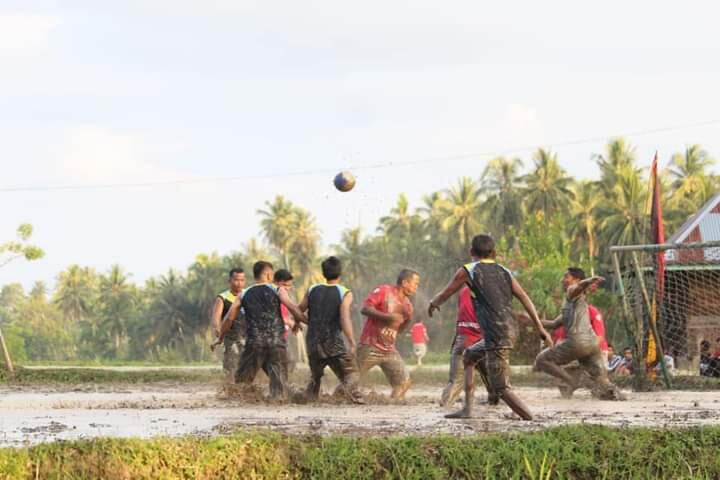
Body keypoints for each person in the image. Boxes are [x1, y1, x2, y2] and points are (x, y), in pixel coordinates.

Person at [428, 234, 553, 421]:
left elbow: (446, 293)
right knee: (469, 356)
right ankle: (468, 410)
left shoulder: (468, 270)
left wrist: (433, 303)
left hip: (496, 334)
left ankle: (531, 419)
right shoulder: (504, 271)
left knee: (501, 388)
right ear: (494, 253)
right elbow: (525, 297)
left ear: (471, 252)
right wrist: (540, 327)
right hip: (507, 330)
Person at [220, 261, 306, 400]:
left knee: (240, 387)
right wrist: (305, 321)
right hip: (276, 344)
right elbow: (292, 307)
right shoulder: (277, 289)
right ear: (268, 274)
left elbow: (229, 319)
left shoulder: (243, 294)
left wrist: (220, 337)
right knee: (279, 389)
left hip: (254, 344)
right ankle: (283, 401)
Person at [534, 268, 623, 400]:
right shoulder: (573, 304)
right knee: (602, 382)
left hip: (578, 343)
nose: (563, 279)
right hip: (592, 346)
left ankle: (571, 381)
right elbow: (553, 324)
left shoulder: (572, 291)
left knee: (542, 360)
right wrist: (531, 321)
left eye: (566, 276)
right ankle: (620, 399)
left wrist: (589, 281)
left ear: (576, 280)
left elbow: (578, 287)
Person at [296, 256, 364, 403]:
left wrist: (302, 322)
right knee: (351, 374)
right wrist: (352, 342)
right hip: (332, 341)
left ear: (323, 273)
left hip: (312, 341)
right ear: (340, 273)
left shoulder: (312, 289)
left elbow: (298, 309)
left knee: (315, 377)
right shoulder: (345, 292)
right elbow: (344, 317)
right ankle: (344, 397)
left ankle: (307, 400)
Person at [357, 269, 420, 400]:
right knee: (352, 380)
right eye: (415, 283)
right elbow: (365, 309)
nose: (416, 287)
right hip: (370, 345)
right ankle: (336, 399)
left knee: (404, 383)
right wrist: (387, 318)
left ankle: (391, 404)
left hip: (389, 350)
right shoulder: (384, 291)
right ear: (404, 283)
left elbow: (402, 328)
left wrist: (398, 325)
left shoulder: (408, 306)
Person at [439, 286, 484, 407]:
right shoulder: (491, 291)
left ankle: (445, 406)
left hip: (463, 339)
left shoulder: (464, 291)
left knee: (455, 381)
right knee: (497, 384)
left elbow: (462, 314)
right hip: (483, 342)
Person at [210, 268, 246, 378]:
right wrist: (217, 330)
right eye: (236, 280)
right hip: (231, 339)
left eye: (242, 280)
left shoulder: (248, 295)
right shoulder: (222, 298)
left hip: (248, 337)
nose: (239, 283)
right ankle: (231, 390)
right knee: (231, 367)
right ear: (229, 280)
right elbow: (216, 319)